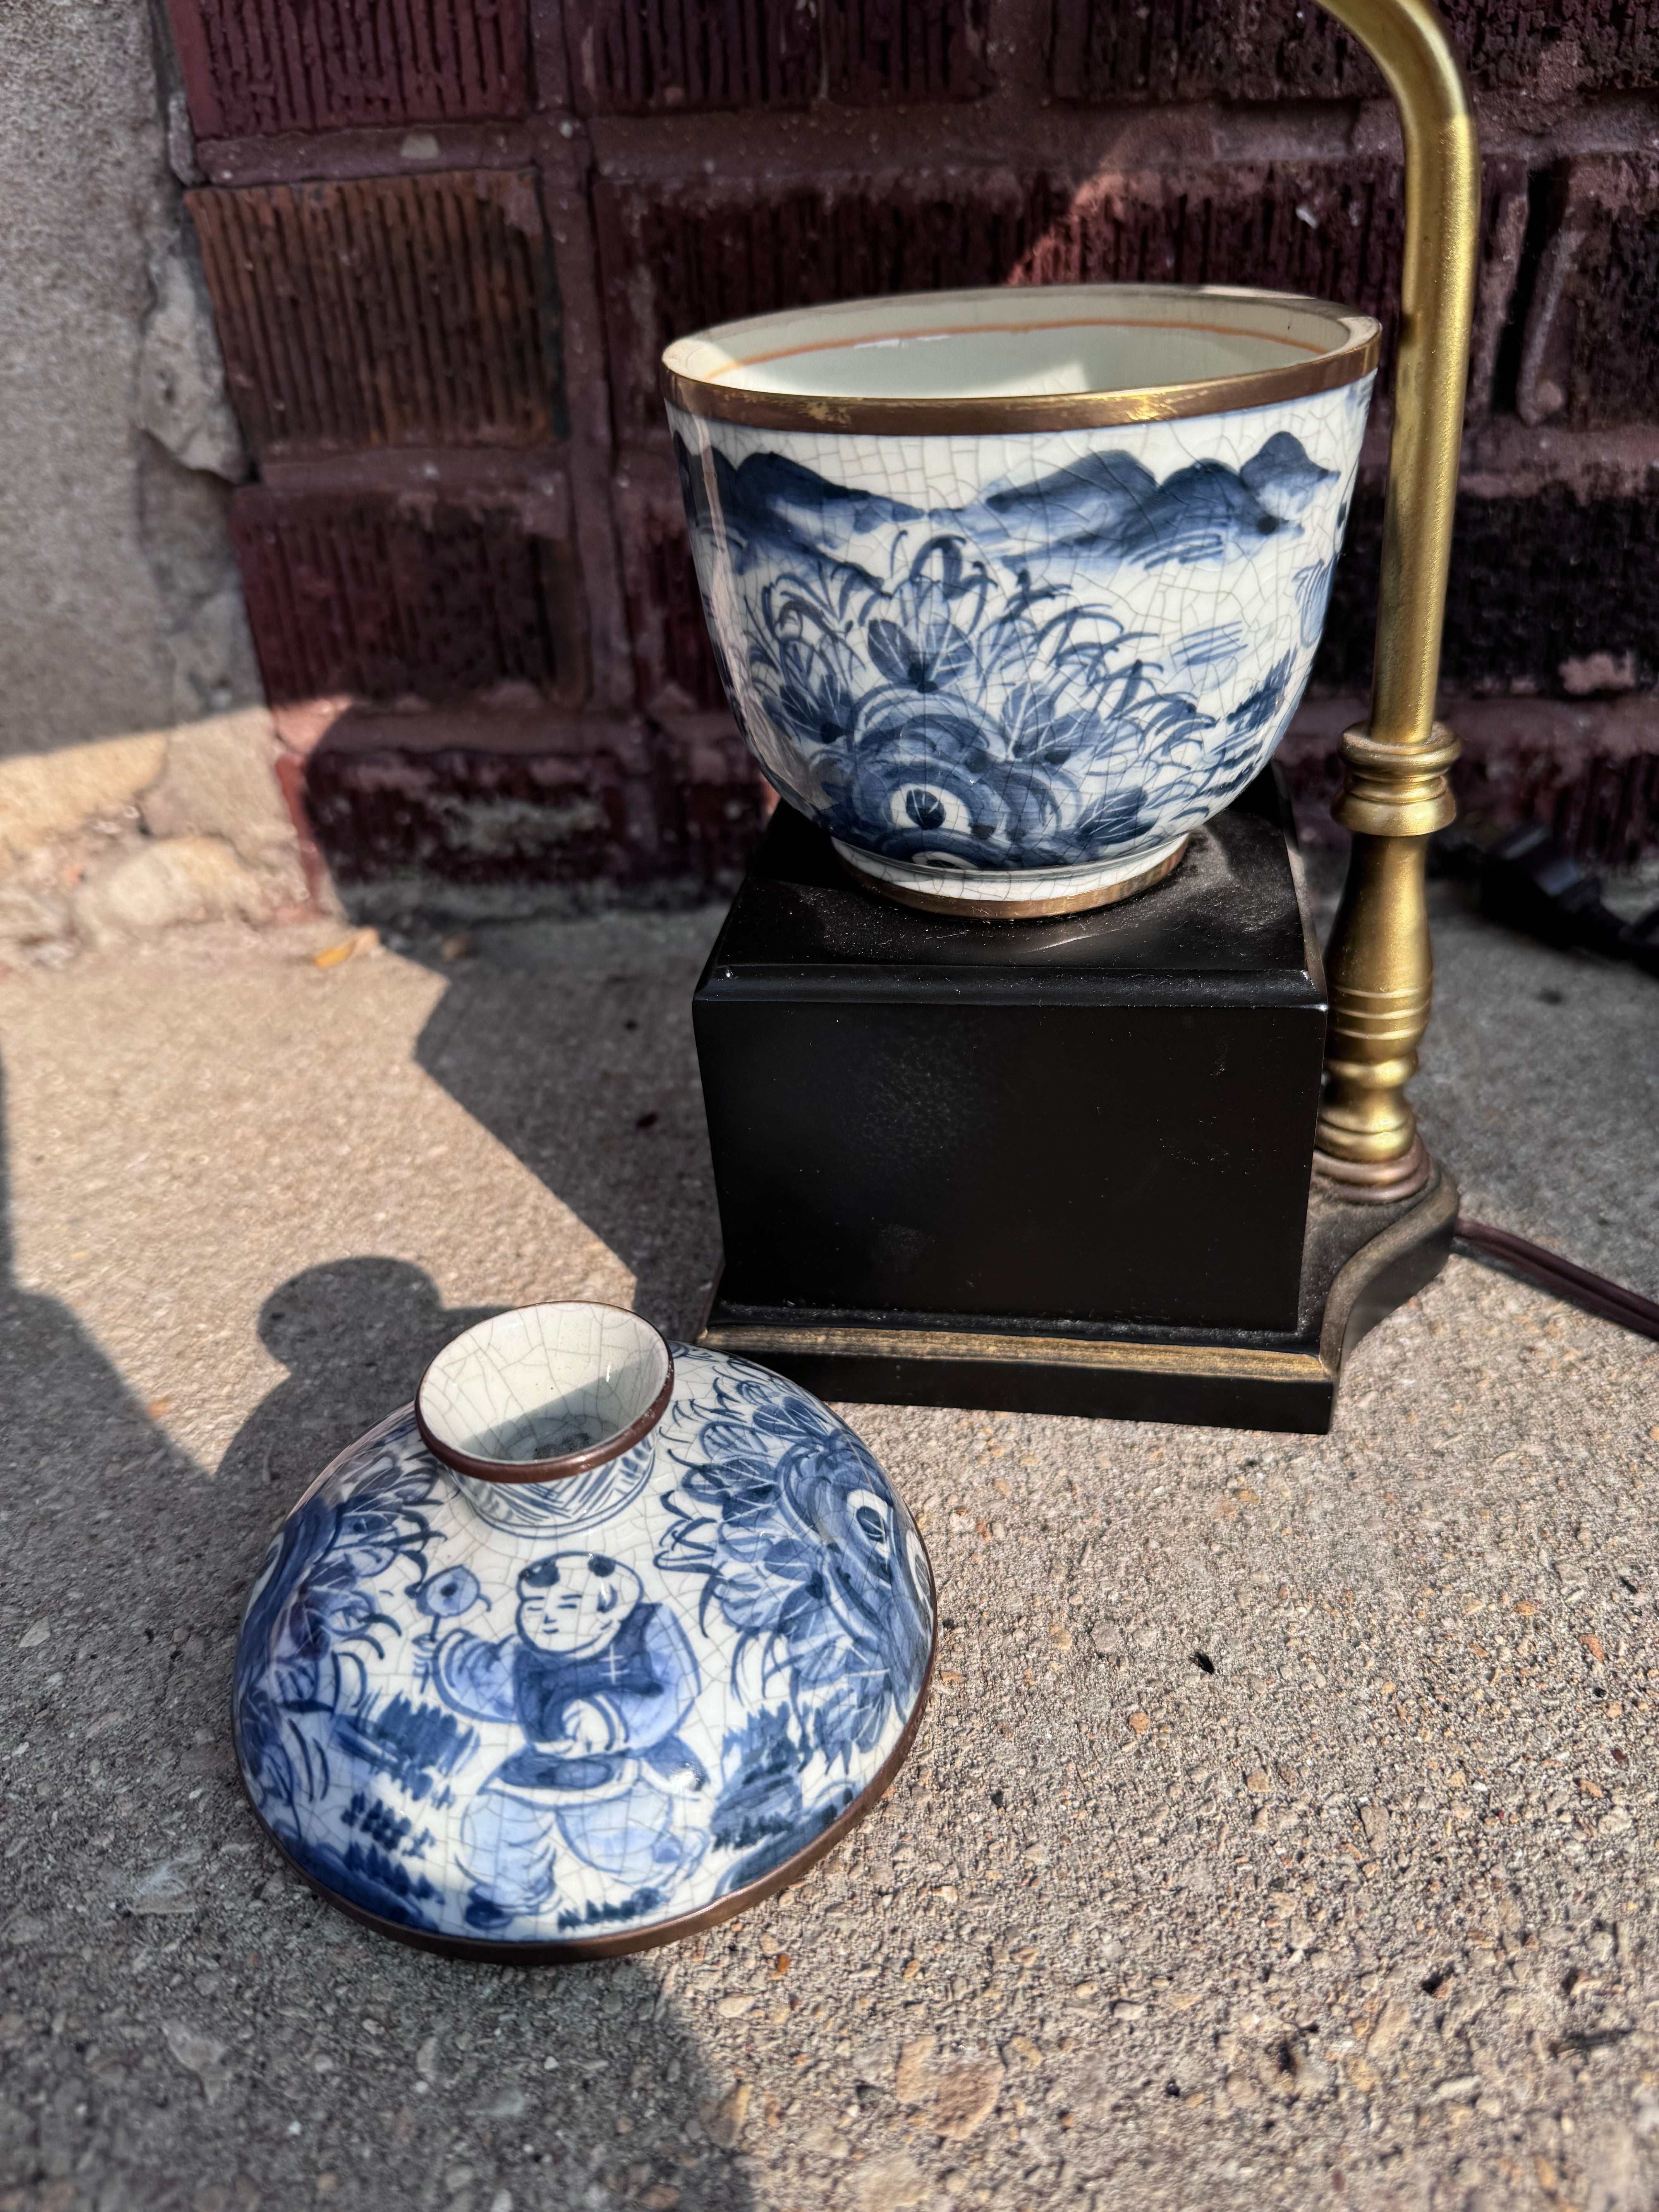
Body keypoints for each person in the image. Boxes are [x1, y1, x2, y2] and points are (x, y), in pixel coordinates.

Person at [429, 1551, 705, 1930]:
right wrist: (453, 1659)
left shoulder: (641, 1631)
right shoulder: (525, 1653)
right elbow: (492, 1683)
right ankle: (518, 1896)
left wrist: (610, 1718)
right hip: (540, 1765)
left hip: (621, 1762)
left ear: (610, 1609)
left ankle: (664, 1870)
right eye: (535, 1605)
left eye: (569, 1604)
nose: (548, 1616)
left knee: (613, 1840)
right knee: (494, 1823)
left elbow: (676, 1687)